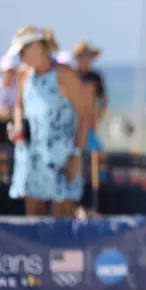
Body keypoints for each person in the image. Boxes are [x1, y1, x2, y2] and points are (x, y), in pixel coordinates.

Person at [6, 26, 91, 217]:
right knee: (34, 222)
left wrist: (77, 155)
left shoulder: (65, 75)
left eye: (22, 51)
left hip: (62, 159)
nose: (20, 57)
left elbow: (84, 117)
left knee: (62, 224)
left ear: (38, 47)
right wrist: (19, 125)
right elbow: (19, 104)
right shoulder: (24, 74)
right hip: (32, 156)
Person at [73, 40, 106, 151]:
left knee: (95, 154)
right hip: (73, 122)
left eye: (88, 56)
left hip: (89, 124)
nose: (86, 59)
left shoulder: (95, 77)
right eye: (83, 56)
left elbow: (103, 100)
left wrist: (97, 117)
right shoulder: (72, 76)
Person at [0, 56, 19, 147]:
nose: (11, 74)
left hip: (14, 129)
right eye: (8, 71)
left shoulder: (19, 88)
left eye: (13, 71)